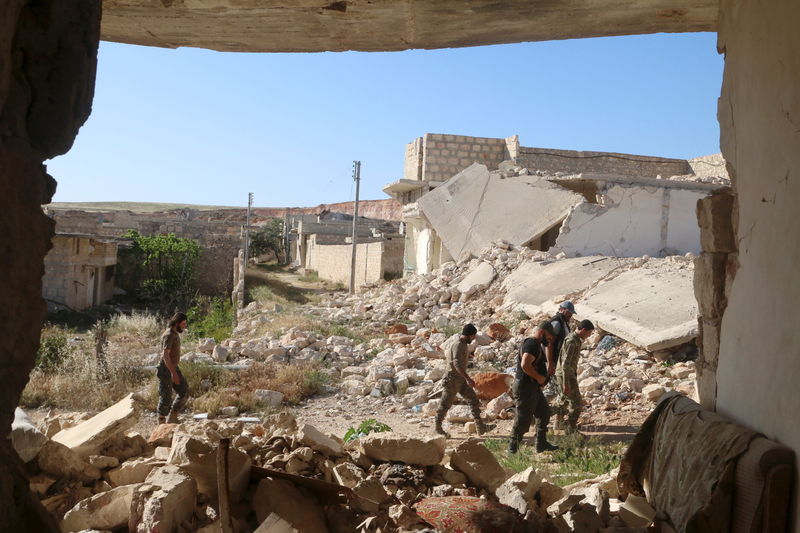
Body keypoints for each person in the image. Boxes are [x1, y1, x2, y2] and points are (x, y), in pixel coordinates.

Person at [435, 324, 495, 438]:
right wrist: (468, 379)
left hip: (460, 379)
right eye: (473, 336)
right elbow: (456, 363)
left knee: (473, 399)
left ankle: (480, 426)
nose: (473, 339)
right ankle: (438, 428)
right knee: (445, 404)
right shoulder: (458, 345)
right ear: (469, 335)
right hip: (452, 379)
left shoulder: (462, 344)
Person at [508, 321, 559, 454]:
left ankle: (540, 444)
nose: (550, 339)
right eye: (549, 336)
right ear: (542, 332)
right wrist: (538, 377)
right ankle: (512, 447)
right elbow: (525, 365)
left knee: (544, 412)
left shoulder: (536, 344)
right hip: (525, 387)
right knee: (523, 418)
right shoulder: (531, 344)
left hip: (532, 387)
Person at [554, 319, 595, 433]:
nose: (589, 335)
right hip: (566, 375)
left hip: (566, 374)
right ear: (583, 330)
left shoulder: (575, 339)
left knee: (563, 400)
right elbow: (565, 364)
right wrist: (566, 384)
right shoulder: (572, 341)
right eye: (589, 333)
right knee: (577, 402)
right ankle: (570, 427)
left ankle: (558, 423)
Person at [157, 312, 189, 424]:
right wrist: (173, 373)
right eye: (183, 323)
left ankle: (173, 417)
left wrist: (174, 371)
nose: (185, 326)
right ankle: (161, 423)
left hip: (173, 367)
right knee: (166, 397)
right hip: (166, 369)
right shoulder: (169, 334)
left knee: (183, 390)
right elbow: (165, 355)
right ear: (177, 323)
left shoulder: (174, 333)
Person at [546, 301, 575, 376]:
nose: (570, 314)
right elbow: (549, 343)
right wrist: (550, 362)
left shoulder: (563, 322)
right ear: (562, 309)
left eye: (571, 313)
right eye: (569, 312)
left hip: (558, 359)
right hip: (553, 360)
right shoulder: (557, 323)